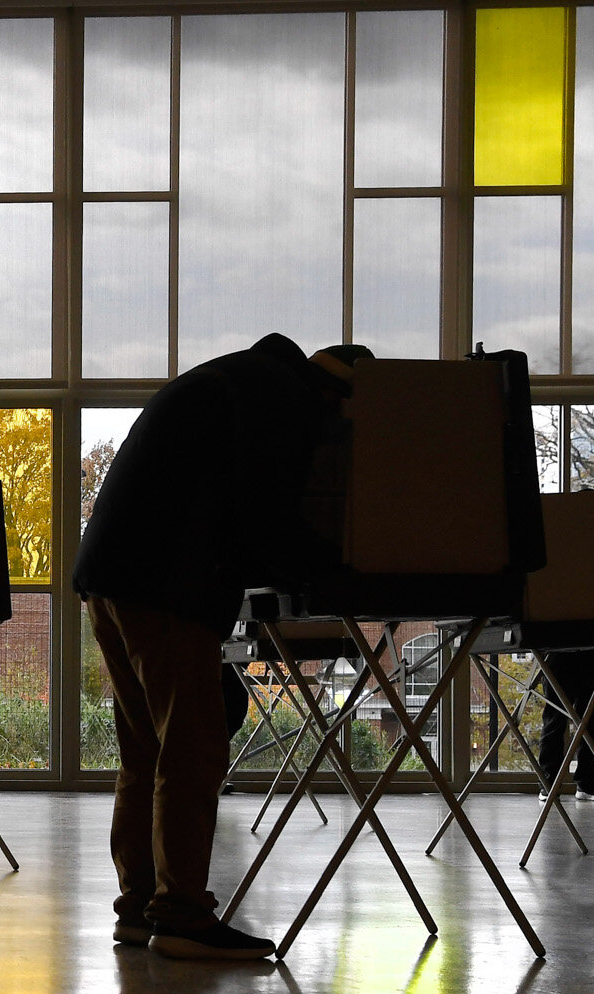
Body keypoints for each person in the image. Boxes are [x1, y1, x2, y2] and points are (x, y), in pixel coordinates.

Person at [74, 334, 371, 961]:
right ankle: (180, 915)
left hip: (109, 575)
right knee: (192, 749)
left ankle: (137, 909)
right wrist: (336, 567)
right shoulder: (284, 400)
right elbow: (265, 515)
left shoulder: (237, 378)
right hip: (165, 580)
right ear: (340, 397)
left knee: (146, 751)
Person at [535, 648, 594, 801]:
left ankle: (550, 782)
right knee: (585, 722)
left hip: (560, 652)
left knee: (557, 721)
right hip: (588, 651)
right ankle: (584, 782)